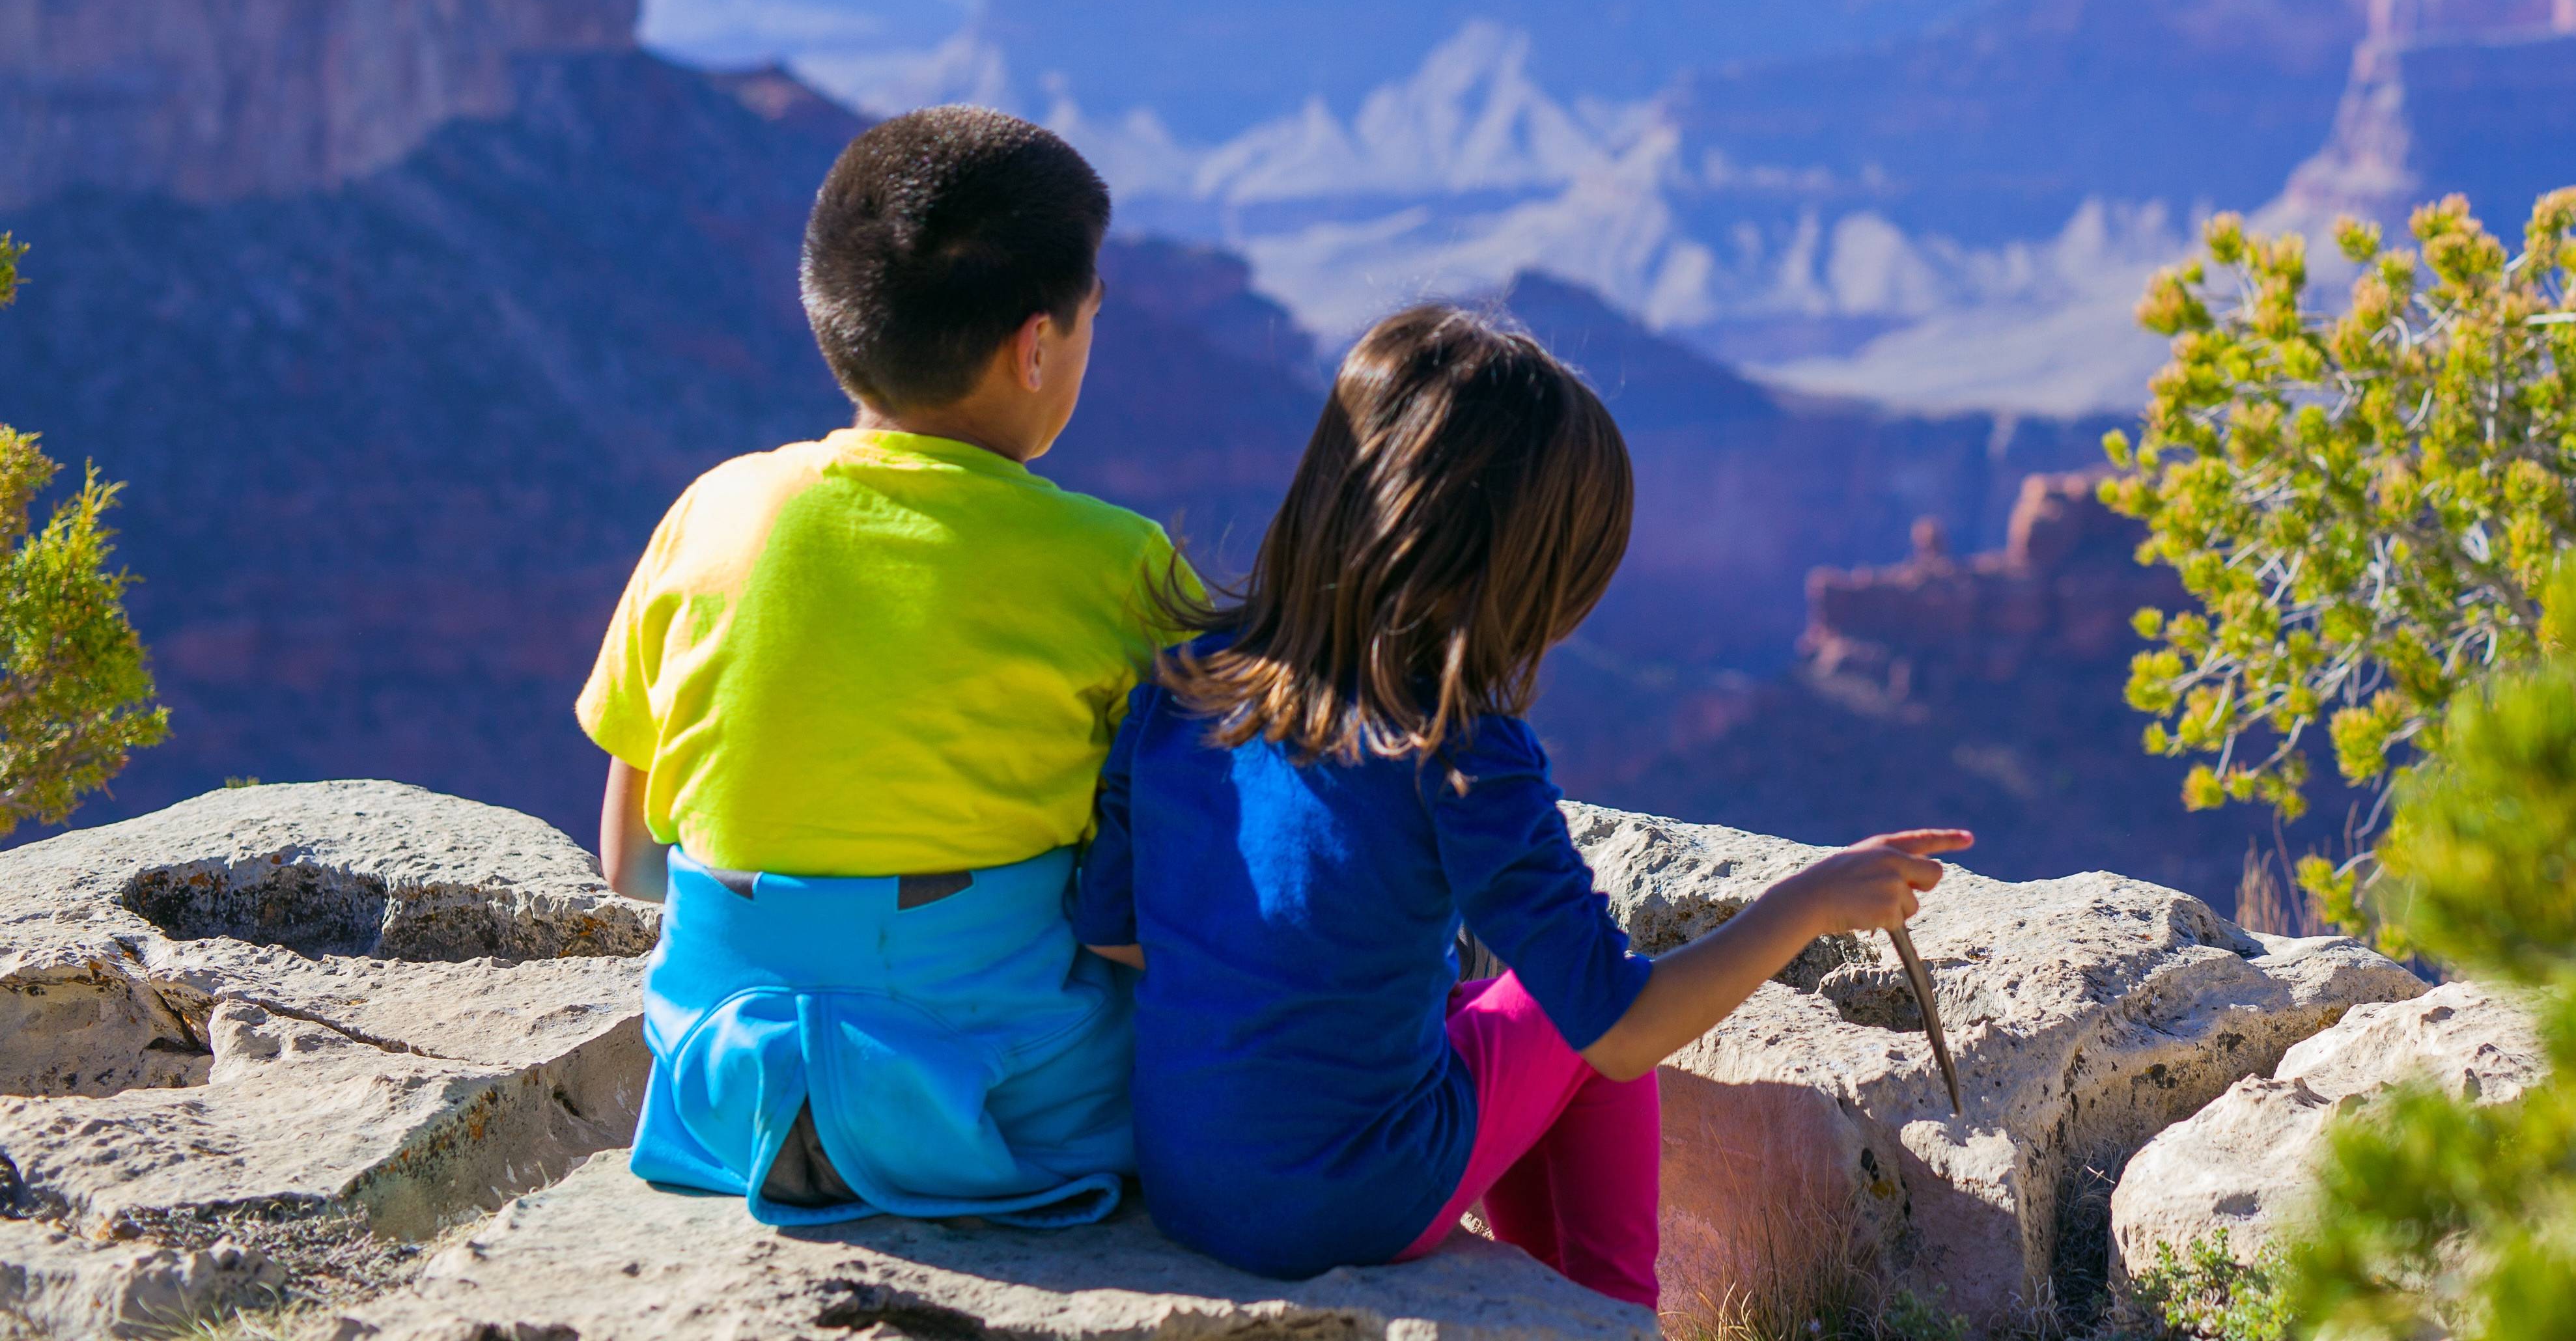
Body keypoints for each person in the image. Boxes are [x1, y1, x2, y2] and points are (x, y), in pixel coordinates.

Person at [1075, 304, 1968, 1308]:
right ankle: (1611, 1316)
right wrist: (1810, 900)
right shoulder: (1457, 750)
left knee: (1478, 1006)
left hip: (1187, 1183)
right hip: (1352, 1203)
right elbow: (1620, 1029)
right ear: (1518, 567)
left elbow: (1116, 935)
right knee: (1565, 1003)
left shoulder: (1184, 684)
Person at [576, 106, 1183, 1227]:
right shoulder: (1121, 565)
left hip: (729, 1095)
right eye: (1091, 315)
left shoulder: (713, 511)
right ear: (1035, 346)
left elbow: (628, 862)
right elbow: (1175, 887)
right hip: (1012, 1107)